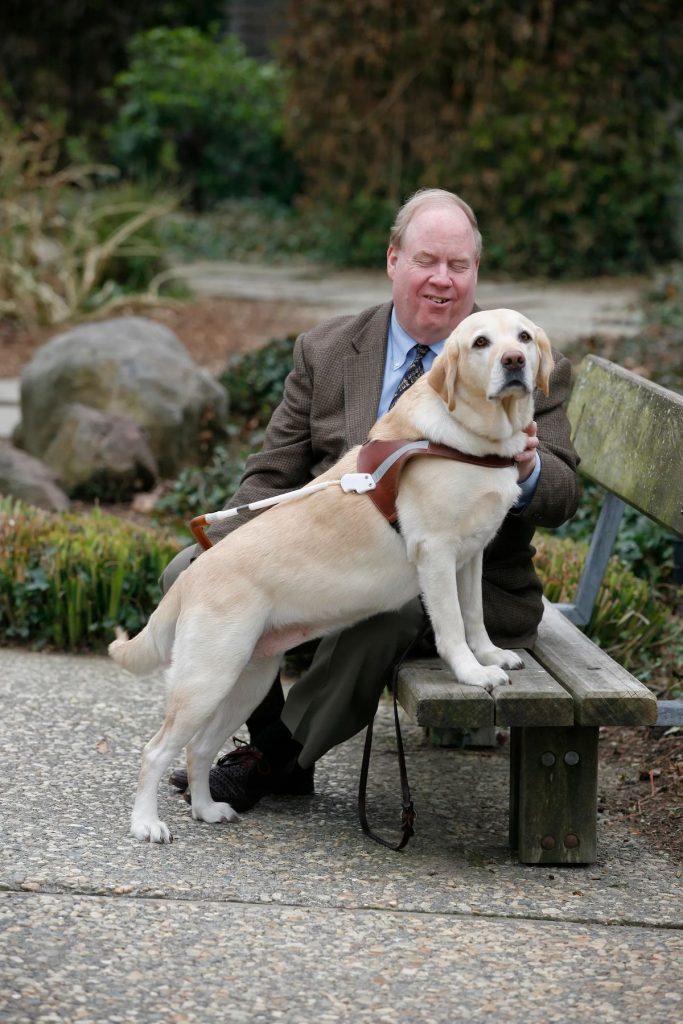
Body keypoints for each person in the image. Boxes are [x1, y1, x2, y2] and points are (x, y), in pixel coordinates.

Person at [165, 188, 580, 810]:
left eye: (459, 265)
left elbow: (564, 493)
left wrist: (526, 467)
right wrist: (242, 552)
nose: (442, 280)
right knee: (193, 571)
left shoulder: (519, 354)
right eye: (425, 261)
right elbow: (271, 472)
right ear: (393, 261)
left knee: (389, 609)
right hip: (337, 556)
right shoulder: (327, 351)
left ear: (476, 272)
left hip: (471, 586)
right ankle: (263, 736)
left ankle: (274, 761)